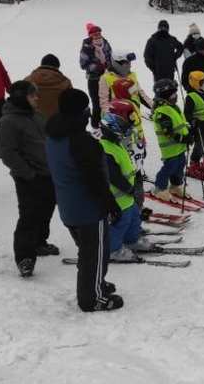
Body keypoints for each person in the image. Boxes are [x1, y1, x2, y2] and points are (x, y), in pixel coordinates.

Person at [45, 89, 123, 311]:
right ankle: (92, 298)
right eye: (86, 110)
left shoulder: (54, 133)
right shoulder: (81, 143)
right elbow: (94, 180)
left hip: (68, 205)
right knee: (95, 253)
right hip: (87, 210)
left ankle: (96, 282)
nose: (89, 114)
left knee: (91, 252)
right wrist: (110, 204)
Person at [0, 81, 58, 277]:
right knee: (29, 216)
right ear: (21, 97)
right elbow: (8, 154)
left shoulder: (37, 116)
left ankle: (40, 242)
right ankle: (25, 257)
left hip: (48, 173)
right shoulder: (7, 122)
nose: (36, 98)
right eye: (32, 96)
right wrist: (29, 175)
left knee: (46, 209)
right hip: (28, 178)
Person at [99, 101, 153, 261]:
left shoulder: (117, 144)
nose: (126, 133)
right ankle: (113, 250)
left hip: (128, 196)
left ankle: (132, 240)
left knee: (134, 218)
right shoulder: (106, 149)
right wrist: (129, 189)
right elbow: (113, 176)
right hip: (117, 197)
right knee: (120, 223)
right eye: (122, 130)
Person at [151, 79, 191, 202]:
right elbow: (168, 132)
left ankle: (175, 186)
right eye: (172, 94)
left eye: (175, 93)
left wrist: (190, 131)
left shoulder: (173, 107)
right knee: (170, 167)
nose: (175, 96)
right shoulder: (162, 112)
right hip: (170, 148)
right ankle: (159, 188)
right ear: (164, 95)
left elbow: (181, 123)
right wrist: (183, 138)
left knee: (180, 166)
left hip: (179, 147)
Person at [99, 50, 152, 118]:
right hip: (117, 117)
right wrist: (110, 116)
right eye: (126, 64)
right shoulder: (106, 78)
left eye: (130, 63)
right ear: (117, 64)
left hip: (134, 115)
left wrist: (154, 106)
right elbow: (104, 102)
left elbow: (141, 95)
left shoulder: (132, 76)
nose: (130, 66)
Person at [79, 23, 112, 128]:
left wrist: (109, 65)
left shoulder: (105, 43)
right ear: (90, 35)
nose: (98, 36)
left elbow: (111, 57)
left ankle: (108, 124)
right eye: (95, 34)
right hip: (94, 79)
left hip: (107, 78)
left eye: (99, 33)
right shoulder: (86, 47)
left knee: (108, 102)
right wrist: (96, 66)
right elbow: (83, 64)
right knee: (97, 104)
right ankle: (95, 126)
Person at [25, 54, 72, 121]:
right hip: (57, 124)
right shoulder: (65, 82)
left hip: (33, 123)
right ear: (57, 67)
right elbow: (71, 104)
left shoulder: (28, 80)